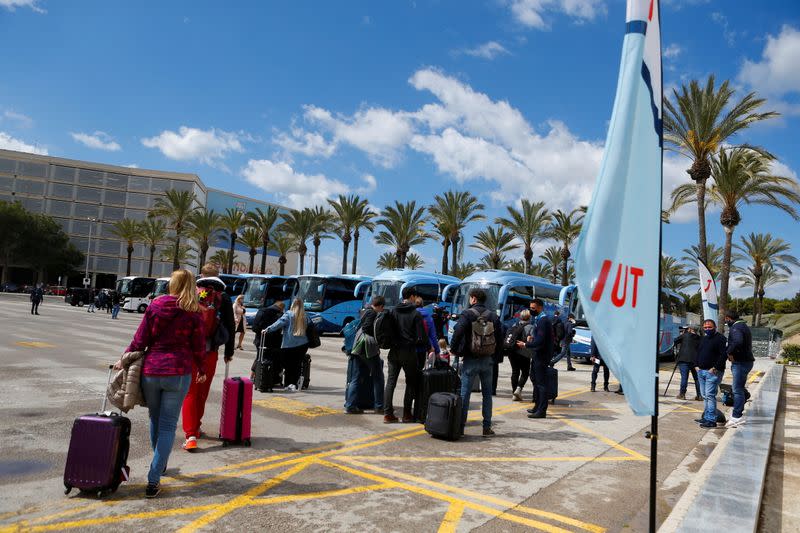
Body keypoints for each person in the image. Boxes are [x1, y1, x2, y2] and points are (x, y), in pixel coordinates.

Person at [118, 269, 205, 498]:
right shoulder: (194, 312)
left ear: (172, 285)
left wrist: (124, 358)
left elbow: (140, 339)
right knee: (168, 425)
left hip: (152, 371)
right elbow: (198, 346)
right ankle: (154, 477)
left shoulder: (155, 306)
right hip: (178, 371)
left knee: (155, 419)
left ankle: (160, 464)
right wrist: (202, 369)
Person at [181, 264, 235, 452]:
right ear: (218, 276)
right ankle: (196, 425)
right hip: (211, 352)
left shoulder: (193, 294)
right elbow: (230, 326)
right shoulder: (224, 297)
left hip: (190, 352)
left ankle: (190, 435)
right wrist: (229, 352)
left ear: (202, 275)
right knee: (203, 392)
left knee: (190, 392)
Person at [452, 288, 503, 436]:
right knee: (487, 395)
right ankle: (486, 427)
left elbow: (458, 331)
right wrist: (496, 358)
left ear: (473, 299)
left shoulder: (467, 314)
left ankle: (460, 427)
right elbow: (500, 338)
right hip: (488, 360)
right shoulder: (493, 316)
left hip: (470, 359)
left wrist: (455, 349)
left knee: (465, 394)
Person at [383, 287, 427, 424]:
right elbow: (421, 337)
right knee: (411, 382)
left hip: (394, 351)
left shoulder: (392, 311)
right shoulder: (416, 314)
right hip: (409, 352)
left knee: (391, 382)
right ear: (412, 297)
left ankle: (388, 414)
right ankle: (407, 414)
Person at [345, 295, 386, 414]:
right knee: (378, 376)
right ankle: (379, 406)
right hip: (367, 349)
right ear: (380, 306)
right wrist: (376, 339)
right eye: (382, 308)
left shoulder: (365, 311)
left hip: (357, 348)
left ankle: (350, 405)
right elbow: (367, 328)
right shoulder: (372, 313)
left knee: (356, 377)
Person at [518, 298, 554, 419]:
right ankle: (537, 406)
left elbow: (541, 341)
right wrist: (531, 339)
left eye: (533, 308)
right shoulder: (538, 319)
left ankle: (542, 410)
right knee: (534, 379)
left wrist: (526, 344)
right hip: (537, 354)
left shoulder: (543, 320)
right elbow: (538, 338)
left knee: (541, 383)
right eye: (530, 308)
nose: (531, 310)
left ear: (540, 307)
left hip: (542, 356)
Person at [265, 297, 310, 390]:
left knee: (288, 365)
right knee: (297, 365)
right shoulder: (305, 315)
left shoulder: (289, 314)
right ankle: (295, 384)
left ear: (292, 304)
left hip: (289, 344)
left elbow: (278, 323)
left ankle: (288, 384)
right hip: (303, 344)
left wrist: (267, 329)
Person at [695, 319, 727, 428]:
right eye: (705, 327)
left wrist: (715, 368)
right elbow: (698, 352)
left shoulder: (721, 339)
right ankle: (706, 417)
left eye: (709, 327)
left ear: (715, 327)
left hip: (713, 372)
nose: (707, 329)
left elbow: (724, 355)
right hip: (701, 371)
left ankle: (711, 420)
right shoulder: (703, 339)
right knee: (704, 395)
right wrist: (696, 365)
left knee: (709, 395)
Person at [724, 311, 754, 428]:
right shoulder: (743, 326)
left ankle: (737, 417)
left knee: (737, 390)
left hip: (740, 363)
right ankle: (737, 412)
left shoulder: (736, 327)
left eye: (726, 320)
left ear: (728, 318)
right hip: (745, 362)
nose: (726, 322)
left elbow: (737, 341)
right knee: (739, 389)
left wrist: (729, 352)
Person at [251, 300, 286, 388]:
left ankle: (254, 377)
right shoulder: (279, 314)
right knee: (269, 360)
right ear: (281, 308)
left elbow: (254, 327)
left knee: (259, 358)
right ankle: (269, 378)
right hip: (272, 341)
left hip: (259, 339)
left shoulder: (262, 310)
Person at [508, 310, 532, 401]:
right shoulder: (531, 327)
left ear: (520, 317)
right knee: (525, 372)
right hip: (524, 352)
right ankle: (519, 388)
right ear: (529, 317)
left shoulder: (514, 325)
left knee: (515, 372)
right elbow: (531, 341)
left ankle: (514, 393)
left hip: (512, 352)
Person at [673, 326, 702, 400]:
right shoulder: (699, 338)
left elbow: (675, 340)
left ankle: (682, 394)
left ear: (690, 329)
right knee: (697, 379)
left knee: (684, 378)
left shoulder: (685, 335)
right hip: (695, 361)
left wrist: (683, 334)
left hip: (684, 359)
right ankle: (700, 395)